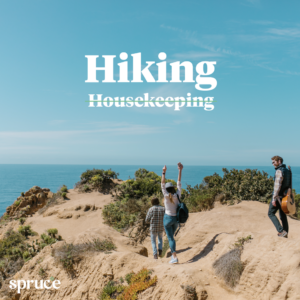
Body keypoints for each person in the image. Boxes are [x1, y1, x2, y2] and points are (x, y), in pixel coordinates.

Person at [161, 162, 183, 264]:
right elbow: (179, 182)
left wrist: (163, 172)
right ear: (174, 188)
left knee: (170, 238)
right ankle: (172, 255)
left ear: (166, 189)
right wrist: (180, 170)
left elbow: (162, 184)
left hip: (167, 218)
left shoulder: (165, 196)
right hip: (175, 220)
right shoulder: (177, 194)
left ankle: (174, 257)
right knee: (171, 237)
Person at [268, 156, 291, 238]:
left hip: (278, 197)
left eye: (274, 162)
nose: (273, 164)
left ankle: (281, 231)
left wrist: (274, 199)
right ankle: (285, 233)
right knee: (283, 215)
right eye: (272, 162)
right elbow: (289, 185)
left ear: (279, 161)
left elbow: (277, 187)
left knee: (270, 213)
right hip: (284, 197)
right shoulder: (287, 170)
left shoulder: (279, 171)